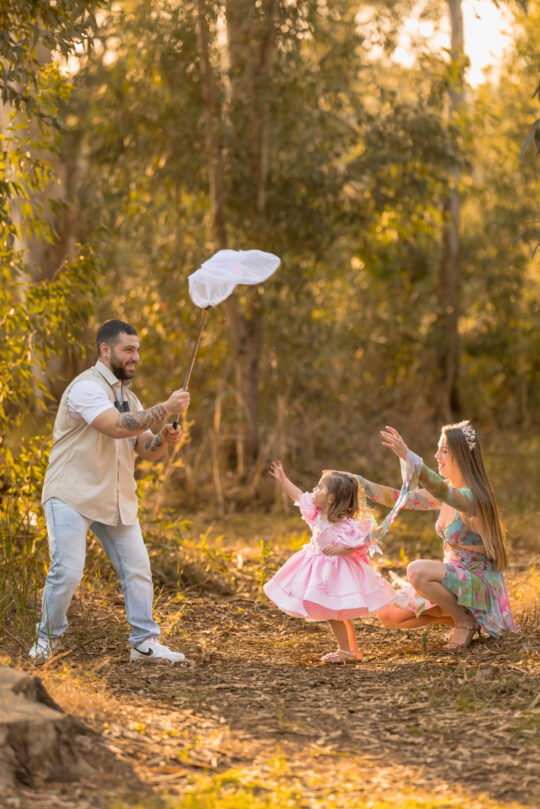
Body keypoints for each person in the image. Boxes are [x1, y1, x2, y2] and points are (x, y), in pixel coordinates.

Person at [29, 319, 191, 663]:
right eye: (128, 350)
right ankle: (47, 639)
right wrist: (166, 407)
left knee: (138, 568)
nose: (135, 357)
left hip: (115, 498)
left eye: (137, 351)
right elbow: (115, 426)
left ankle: (144, 644)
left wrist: (164, 437)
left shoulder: (128, 397)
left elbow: (145, 448)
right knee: (68, 570)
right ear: (105, 350)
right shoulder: (85, 387)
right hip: (72, 494)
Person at [354, 422, 517, 649]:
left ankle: (464, 621)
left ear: (461, 455)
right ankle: (469, 617)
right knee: (387, 614)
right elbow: (400, 498)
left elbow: (440, 489)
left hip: (478, 584)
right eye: (438, 449)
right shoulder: (446, 493)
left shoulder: (473, 497)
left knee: (416, 570)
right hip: (453, 583)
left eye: (444, 450)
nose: (436, 455)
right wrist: (359, 483)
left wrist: (408, 455)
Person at [264, 461, 397, 663]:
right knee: (338, 613)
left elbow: (355, 545)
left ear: (331, 498)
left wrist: (339, 550)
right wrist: (283, 479)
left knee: (334, 613)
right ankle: (352, 651)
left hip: (335, 571)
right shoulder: (317, 513)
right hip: (316, 565)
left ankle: (345, 651)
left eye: (319, 488)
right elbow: (298, 496)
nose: (313, 490)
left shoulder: (345, 523)